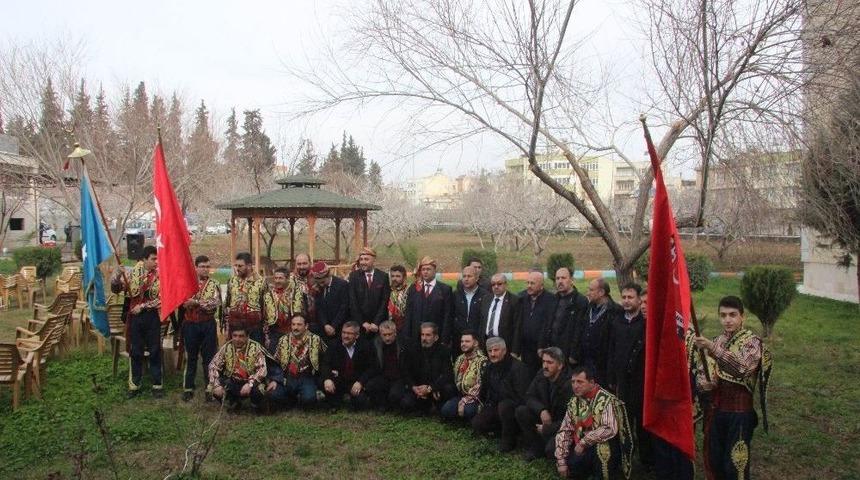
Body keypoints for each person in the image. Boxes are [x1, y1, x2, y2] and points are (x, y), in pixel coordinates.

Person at [694, 296, 771, 480]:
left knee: (736, 464)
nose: (727, 320)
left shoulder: (752, 342)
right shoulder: (717, 340)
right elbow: (703, 370)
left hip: (740, 414)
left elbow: (742, 369)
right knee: (715, 460)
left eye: (732, 315)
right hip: (716, 411)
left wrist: (713, 348)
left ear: (742, 317)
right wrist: (704, 383)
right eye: (723, 315)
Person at [554, 365, 633, 480]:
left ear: (591, 382)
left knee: (601, 451)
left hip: (606, 444)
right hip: (581, 444)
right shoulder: (574, 401)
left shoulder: (606, 399)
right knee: (570, 465)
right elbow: (565, 430)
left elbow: (609, 429)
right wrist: (561, 460)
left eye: (580, 382)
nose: (575, 386)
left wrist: (584, 442)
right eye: (573, 382)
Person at [605, 283, 651, 470]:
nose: (626, 301)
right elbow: (611, 350)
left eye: (630, 297)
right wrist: (611, 378)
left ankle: (647, 460)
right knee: (623, 421)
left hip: (641, 382)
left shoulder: (645, 323)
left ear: (639, 300)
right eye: (623, 297)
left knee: (642, 423)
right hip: (621, 381)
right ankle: (624, 458)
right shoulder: (616, 321)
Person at [111, 245, 163, 399]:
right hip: (135, 318)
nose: (156, 262)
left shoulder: (160, 276)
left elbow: (162, 299)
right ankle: (135, 385)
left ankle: (157, 384)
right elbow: (117, 289)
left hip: (152, 316)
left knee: (155, 350)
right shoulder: (132, 274)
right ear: (144, 259)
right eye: (153, 259)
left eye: (157, 258)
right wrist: (117, 275)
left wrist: (144, 305)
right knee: (136, 351)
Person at [472, 337, 531, 452]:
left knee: (505, 406)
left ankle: (509, 440)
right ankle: (499, 430)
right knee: (477, 424)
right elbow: (484, 390)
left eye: (496, 350)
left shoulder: (518, 368)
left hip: (513, 407)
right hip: (495, 404)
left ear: (504, 351)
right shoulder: (489, 367)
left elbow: (523, 397)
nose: (492, 354)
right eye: (490, 351)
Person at [515, 347, 574, 461]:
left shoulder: (570, 384)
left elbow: (571, 419)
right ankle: (536, 447)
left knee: (551, 452)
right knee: (521, 411)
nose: (545, 366)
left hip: (562, 426)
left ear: (560, 365)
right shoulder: (542, 374)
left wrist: (548, 429)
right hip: (546, 417)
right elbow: (529, 396)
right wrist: (541, 410)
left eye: (550, 362)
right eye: (543, 362)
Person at [179, 255, 222, 402]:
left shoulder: (214, 284)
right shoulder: (187, 283)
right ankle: (188, 388)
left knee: (209, 358)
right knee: (190, 357)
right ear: (196, 267)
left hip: (207, 324)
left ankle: (210, 388)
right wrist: (196, 303)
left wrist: (196, 302)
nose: (205, 269)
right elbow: (183, 302)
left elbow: (214, 303)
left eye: (207, 267)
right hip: (190, 324)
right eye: (202, 266)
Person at [266, 315, 327, 409]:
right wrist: (275, 380)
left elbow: (326, 358)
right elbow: (276, 362)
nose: (295, 327)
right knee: (274, 395)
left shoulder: (316, 340)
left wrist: (324, 377)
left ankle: (311, 394)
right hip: (288, 377)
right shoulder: (283, 340)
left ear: (306, 326)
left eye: (299, 325)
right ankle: (292, 399)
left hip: (307, 377)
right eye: (293, 324)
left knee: (309, 400)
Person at [570, 278, 621, 384]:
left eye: (591, 290)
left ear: (602, 292)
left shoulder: (615, 311)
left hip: (603, 366)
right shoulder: (588, 308)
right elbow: (579, 331)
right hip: (585, 363)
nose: (588, 293)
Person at [208, 325, 267, 412]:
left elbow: (262, 369)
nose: (237, 339)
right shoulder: (227, 347)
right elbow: (213, 366)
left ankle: (255, 405)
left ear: (247, 337)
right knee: (212, 387)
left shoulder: (256, 347)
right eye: (235, 336)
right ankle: (232, 402)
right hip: (233, 381)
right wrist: (216, 385)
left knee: (260, 389)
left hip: (251, 381)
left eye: (241, 336)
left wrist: (250, 384)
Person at [322, 321, 378, 410]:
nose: (345, 336)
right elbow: (325, 363)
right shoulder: (333, 344)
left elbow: (372, 367)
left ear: (357, 335)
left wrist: (360, 382)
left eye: (349, 333)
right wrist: (327, 379)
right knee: (327, 391)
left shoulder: (366, 346)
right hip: (338, 380)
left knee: (360, 402)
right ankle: (335, 401)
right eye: (344, 333)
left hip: (355, 381)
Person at [401, 322, 455, 414]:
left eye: (428, 335)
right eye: (422, 335)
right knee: (406, 404)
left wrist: (431, 388)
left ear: (436, 337)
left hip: (435, 388)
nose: (424, 338)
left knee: (448, 389)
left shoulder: (443, 351)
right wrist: (414, 387)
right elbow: (406, 372)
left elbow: (447, 374)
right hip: (417, 388)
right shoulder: (412, 349)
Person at [366, 320, 417, 411]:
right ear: (380, 334)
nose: (387, 338)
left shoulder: (405, 343)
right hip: (383, 377)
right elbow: (373, 366)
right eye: (384, 335)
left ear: (395, 333)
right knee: (370, 385)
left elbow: (410, 366)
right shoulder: (375, 344)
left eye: (390, 334)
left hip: (399, 378)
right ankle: (382, 403)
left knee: (395, 395)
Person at [403, 256, 453, 346]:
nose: (425, 272)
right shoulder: (414, 288)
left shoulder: (445, 290)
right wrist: (407, 336)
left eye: (428, 269)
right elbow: (408, 313)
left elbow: (447, 316)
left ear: (434, 270)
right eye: (423, 269)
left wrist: (445, 338)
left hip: (436, 337)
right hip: (416, 337)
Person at [541, 267, 588, 362]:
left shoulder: (580, 301)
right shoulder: (552, 299)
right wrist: (541, 346)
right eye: (557, 278)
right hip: (551, 351)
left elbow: (580, 330)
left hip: (568, 354)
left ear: (571, 280)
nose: (560, 281)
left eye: (563, 278)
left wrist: (574, 354)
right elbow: (545, 324)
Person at [440, 330, 486, 421]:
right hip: (460, 395)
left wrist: (464, 401)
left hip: (476, 398)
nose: (463, 344)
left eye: (467, 341)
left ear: (476, 343)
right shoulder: (460, 358)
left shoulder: (482, 361)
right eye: (462, 341)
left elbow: (481, 386)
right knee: (446, 411)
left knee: (467, 411)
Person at [224, 252, 268, 346]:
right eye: (236, 265)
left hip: (254, 328)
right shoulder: (232, 281)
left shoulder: (261, 282)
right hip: (235, 328)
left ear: (249, 265)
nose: (237, 268)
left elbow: (266, 307)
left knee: (254, 355)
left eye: (240, 266)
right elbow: (227, 304)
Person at [516, 271, 555, 375]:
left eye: (532, 283)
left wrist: (542, 345)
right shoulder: (522, 299)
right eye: (527, 283)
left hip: (541, 350)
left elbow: (548, 325)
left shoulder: (551, 300)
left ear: (541, 286)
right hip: (525, 349)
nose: (529, 286)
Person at [348, 246, 391, 336]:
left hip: (378, 326)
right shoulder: (354, 276)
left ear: (373, 260)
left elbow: (384, 301)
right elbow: (353, 302)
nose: (363, 262)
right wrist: (363, 323)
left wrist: (376, 322)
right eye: (361, 259)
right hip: (360, 326)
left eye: (366, 259)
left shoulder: (383, 277)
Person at [477, 273, 520, 351]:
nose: (496, 286)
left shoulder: (514, 301)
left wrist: (515, 350)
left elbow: (517, 327)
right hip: (486, 342)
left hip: (504, 344)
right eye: (493, 284)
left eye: (499, 284)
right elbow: (481, 322)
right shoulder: (486, 299)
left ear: (506, 284)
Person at [308, 261, 349, 342]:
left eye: (323, 282)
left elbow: (344, 308)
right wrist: (325, 324)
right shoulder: (318, 287)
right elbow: (319, 308)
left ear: (329, 275)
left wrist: (333, 326)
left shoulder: (342, 285)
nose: (321, 285)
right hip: (324, 329)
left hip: (339, 329)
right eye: (319, 283)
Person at [265, 267, 304, 350]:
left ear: (287, 279)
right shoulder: (269, 294)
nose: (277, 281)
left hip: (292, 332)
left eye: (280, 278)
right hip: (274, 332)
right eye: (276, 278)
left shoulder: (296, 293)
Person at [450, 266, 488, 350]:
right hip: (459, 340)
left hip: (478, 340)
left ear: (477, 278)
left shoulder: (485, 295)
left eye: (469, 276)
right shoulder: (455, 295)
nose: (466, 279)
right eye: (464, 276)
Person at [387, 265, 409, 332]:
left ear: (404, 277)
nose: (394, 279)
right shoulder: (387, 290)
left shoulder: (409, 290)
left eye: (398, 276)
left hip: (405, 327)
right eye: (392, 276)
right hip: (388, 327)